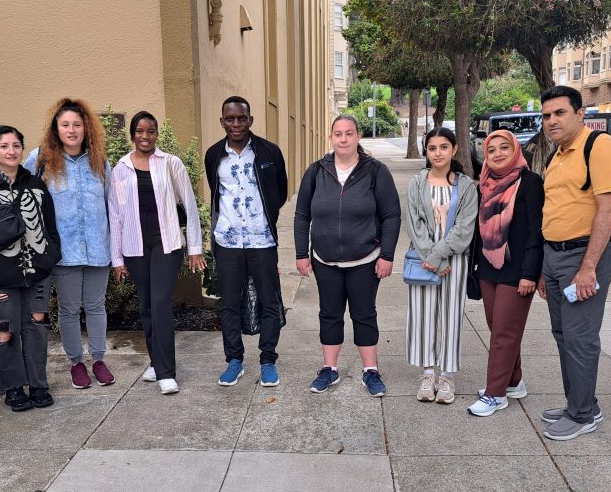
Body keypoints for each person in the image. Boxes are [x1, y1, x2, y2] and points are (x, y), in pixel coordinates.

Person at [536, 85, 611, 440]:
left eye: (559, 113)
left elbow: (608, 208)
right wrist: (544, 268)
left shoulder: (599, 147)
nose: (552, 120)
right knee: (562, 334)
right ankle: (579, 401)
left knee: (580, 337)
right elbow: (554, 210)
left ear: (579, 113)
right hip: (553, 255)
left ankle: (583, 414)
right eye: (546, 115)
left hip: (584, 255)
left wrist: (588, 267)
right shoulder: (556, 155)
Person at [294, 114, 401, 397]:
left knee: (364, 314)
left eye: (349, 133)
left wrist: (387, 255)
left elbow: (391, 215)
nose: (343, 139)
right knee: (329, 314)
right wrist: (300, 254)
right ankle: (329, 369)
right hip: (325, 260)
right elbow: (302, 214)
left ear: (358, 137)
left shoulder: (376, 171)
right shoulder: (316, 171)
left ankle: (371, 371)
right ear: (331, 138)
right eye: (338, 134)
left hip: (365, 260)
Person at [108, 111, 206, 394]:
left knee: (161, 302)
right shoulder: (121, 168)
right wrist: (117, 259)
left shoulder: (170, 163)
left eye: (150, 131)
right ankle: (156, 359)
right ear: (132, 134)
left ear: (157, 134)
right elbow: (115, 216)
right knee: (147, 304)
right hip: (135, 245)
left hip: (166, 242)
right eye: (140, 131)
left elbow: (188, 203)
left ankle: (166, 371)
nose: (145, 136)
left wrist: (195, 248)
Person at [0, 125, 61, 412]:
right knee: (5, 332)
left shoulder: (35, 184)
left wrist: (50, 256)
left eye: (16, 145)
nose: (11, 151)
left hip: (37, 274)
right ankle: (12, 388)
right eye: (4, 146)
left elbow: (49, 224)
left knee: (36, 329)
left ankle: (38, 384)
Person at [24, 98, 115, 390]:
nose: (71, 130)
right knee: (68, 309)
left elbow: (112, 205)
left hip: (98, 248)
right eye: (65, 125)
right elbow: (24, 199)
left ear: (86, 127)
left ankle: (98, 360)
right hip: (63, 253)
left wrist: (118, 249)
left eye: (77, 124)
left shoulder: (99, 161)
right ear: (56, 128)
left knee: (96, 306)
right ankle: (76, 363)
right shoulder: (40, 160)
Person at [204, 96, 288, 387]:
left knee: (269, 302)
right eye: (230, 119)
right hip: (228, 242)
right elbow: (217, 193)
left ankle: (267, 360)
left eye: (241, 118)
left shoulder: (269, 152)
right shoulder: (214, 155)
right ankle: (234, 361)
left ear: (250, 120)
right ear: (222, 121)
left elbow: (279, 193)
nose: (236, 124)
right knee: (228, 303)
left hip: (261, 240)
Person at [467, 129, 544, 416]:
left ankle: (495, 394)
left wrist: (530, 274)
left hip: (517, 271)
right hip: (488, 267)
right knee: (499, 328)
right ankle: (513, 381)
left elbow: (537, 232)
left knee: (503, 333)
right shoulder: (484, 185)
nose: (497, 154)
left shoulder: (530, 183)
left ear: (516, 151)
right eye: (491, 150)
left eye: (504, 148)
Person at [404, 127, 478, 405]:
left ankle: (446, 376)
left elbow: (464, 227)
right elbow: (414, 224)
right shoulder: (417, 183)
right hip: (423, 259)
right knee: (423, 315)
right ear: (427, 151)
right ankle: (427, 373)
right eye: (432, 148)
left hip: (455, 261)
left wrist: (441, 256)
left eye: (443, 147)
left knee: (451, 316)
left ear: (454, 149)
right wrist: (433, 258)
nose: (438, 153)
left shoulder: (466, 185)